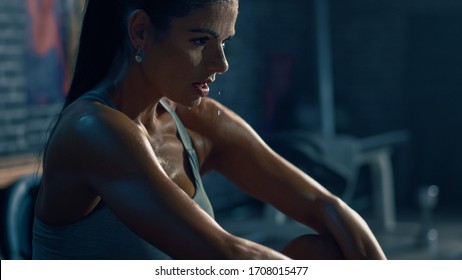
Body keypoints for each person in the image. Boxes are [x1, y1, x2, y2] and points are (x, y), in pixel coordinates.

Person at [32, 0, 386, 260]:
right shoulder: (92, 130)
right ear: (140, 31)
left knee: (327, 252)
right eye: (200, 41)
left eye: (225, 41)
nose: (222, 64)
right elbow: (223, 255)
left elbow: (328, 207)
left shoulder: (195, 122)